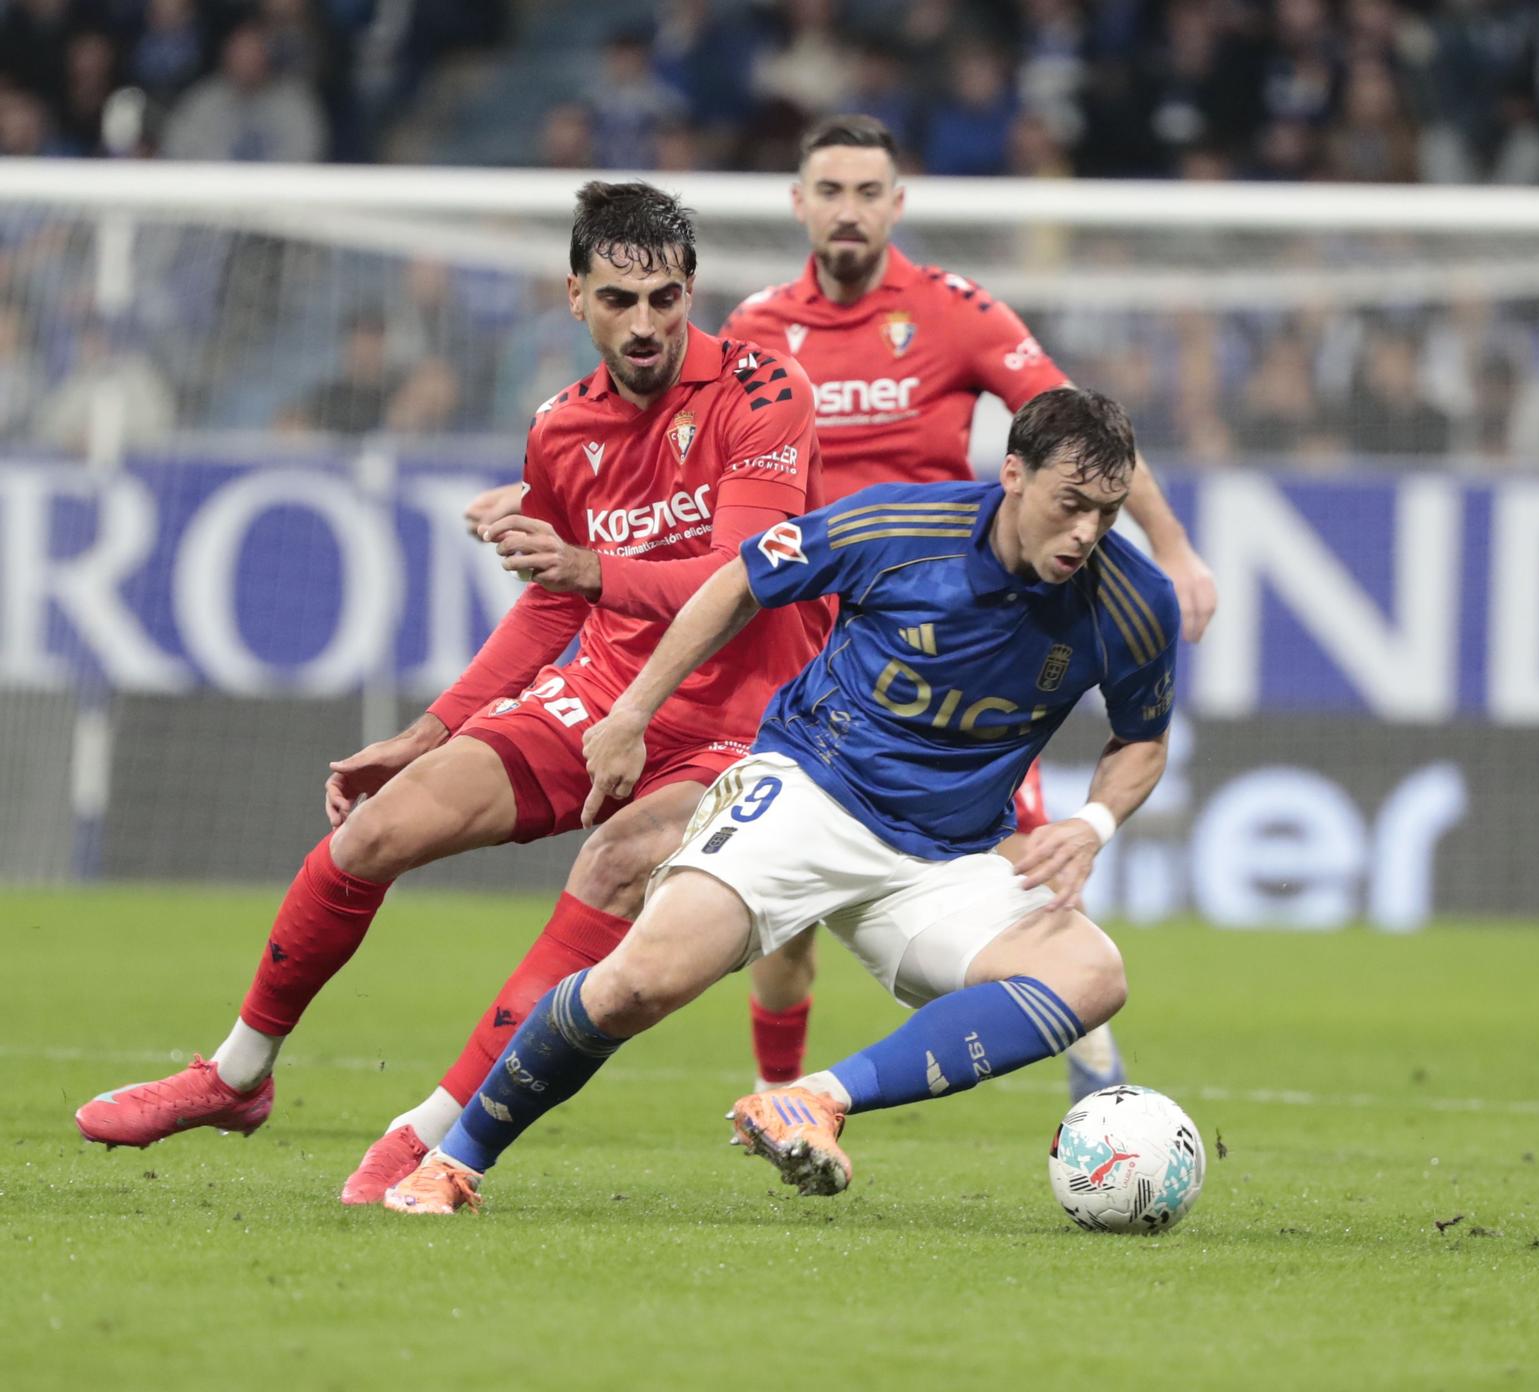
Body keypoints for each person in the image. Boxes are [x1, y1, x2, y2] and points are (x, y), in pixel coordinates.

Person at [73, 184, 829, 1206]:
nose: (644, 323)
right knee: (375, 831)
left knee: (613, 865)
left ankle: (430, 1135)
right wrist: (430, 729)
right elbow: (551, 604)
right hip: (601, 693)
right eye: (618, 300)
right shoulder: (560, 427)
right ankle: (236, 1076)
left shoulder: (762, 389)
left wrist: (592, 573)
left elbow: (745, 577)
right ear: (575, 297)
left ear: (691, 291)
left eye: (663, 298)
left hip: (748, 724)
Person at [463, 114, 1216, 1104]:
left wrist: (1172, 548)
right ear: (799, 204)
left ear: (896, 205)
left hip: (950, 629)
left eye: (868, 191)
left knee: (1031, 872)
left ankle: (1092, 1083)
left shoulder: (956, 312)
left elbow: (1079, 442)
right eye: (831, 190)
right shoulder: (759, 328)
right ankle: (780, 1098)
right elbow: (667, 439)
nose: (849, 209)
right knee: (773, 897)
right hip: (803, 624)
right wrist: (547, 497)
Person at [384, 386, 1176, 1214]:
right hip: (809, 795)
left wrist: (1094, 823)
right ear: (1013, 474)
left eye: (1108, 512)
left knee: (1092, 974)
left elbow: (1143, 739)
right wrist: (633, 712)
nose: (1086, 532)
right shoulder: (900, 528)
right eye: (1070, 504)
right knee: (637, 985)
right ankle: (453, 1161)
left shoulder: (1133, 602)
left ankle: (814, 1099)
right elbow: (741, 578)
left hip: (945, 859)